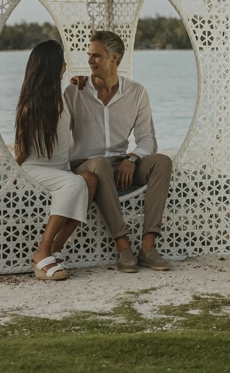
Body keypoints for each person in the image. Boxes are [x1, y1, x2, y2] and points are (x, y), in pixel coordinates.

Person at [66, 30, 173, 273]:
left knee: (162, 162)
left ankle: (148, 247)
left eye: (97, 56)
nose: (90, 61)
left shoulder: (136, 92)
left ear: (114, 58)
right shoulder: (75, 91)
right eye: (89, 55)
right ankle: (123, 246)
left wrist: (132, 158)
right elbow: (59, 133)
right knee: (101, 164)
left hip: (119, 163)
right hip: (85, 164)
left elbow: (147, 138)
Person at [15, 39, 98, 281]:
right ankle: (41, 253)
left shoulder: (63, 97)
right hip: (35, 169)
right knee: (74, 184)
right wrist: (11, 178)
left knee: (90, 181)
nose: (65, 66)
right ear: (53, 67)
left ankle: (55, 248)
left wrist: (78, 82)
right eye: (62, 62)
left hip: (59, 170)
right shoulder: (30, 107)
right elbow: (21, 151)